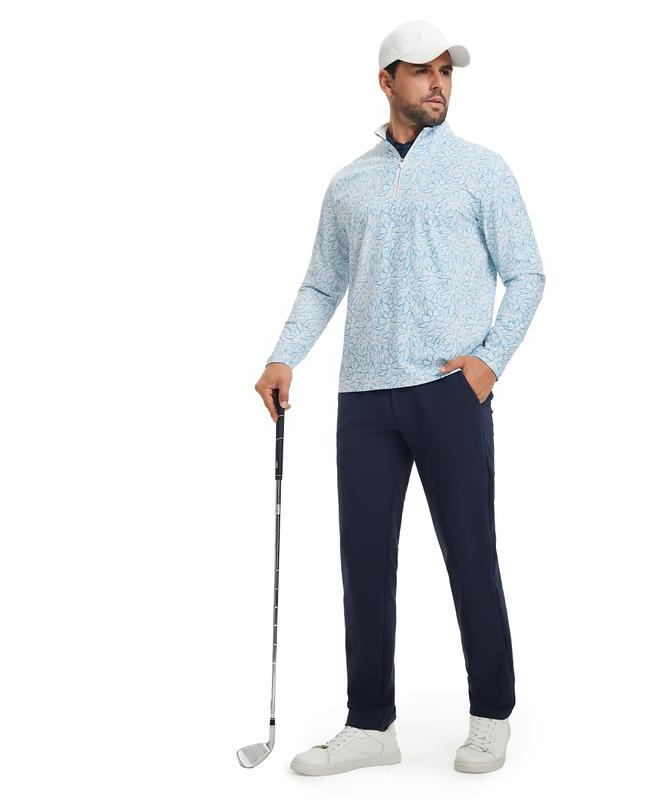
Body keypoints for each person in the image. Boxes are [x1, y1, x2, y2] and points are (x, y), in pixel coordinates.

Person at [254, 18, 545, 776]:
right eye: (422, 71)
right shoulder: (348, 183)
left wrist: (488, 365)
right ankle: (370, 725)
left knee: (470, 555)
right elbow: (322, 283)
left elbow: (527, 273)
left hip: (449, 392)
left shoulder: (482, 170)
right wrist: (284, 356)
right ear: (387, 82)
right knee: (363, 563)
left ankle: (491, 715)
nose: (438, 83)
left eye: (446, 70)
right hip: (365, 400)